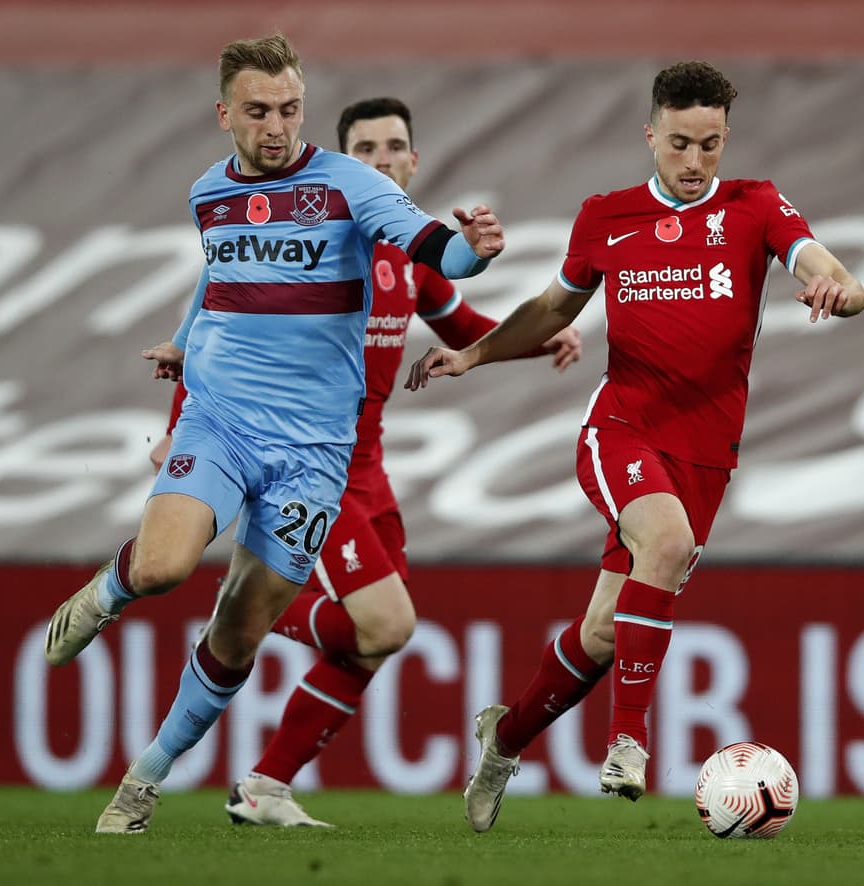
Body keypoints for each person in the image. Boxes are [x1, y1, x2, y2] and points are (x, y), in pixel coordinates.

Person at [41, 34, 505, 835]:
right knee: (160, 568)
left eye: (289, 109)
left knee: (239, 628)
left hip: (316, 453)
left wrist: (476, 248)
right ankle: (104, 593)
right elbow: (217, 282)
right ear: (224, 114)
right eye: (257, 112)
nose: (276, 126)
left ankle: (144, 779)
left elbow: (435, 248)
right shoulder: (207, 195)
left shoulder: (350, 185)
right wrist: (187, 348)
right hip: (220, 419)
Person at [404, 61, 864, 832]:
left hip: (706, 454)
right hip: (620, 427)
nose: (694, 163)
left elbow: (831, 271)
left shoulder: (754, 206)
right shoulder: (607, 217)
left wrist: (840, 293)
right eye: (680, 143)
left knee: (599, 634)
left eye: (710, 145)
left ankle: (503, 738)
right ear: (650, 134)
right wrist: (475, 352)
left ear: (727, 139)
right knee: (665, 539)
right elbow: (554, 305)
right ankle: (627, 742)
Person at [151, 97, 581, 828]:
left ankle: (264, 787)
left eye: (394, 149)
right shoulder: (309, 238)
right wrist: (176, 431)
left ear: (414, 162)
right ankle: (246, 616)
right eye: (366, 151)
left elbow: (468, 325)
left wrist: (545, 340)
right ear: (340, 164)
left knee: (373, 641)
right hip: (309, 460)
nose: (381, 161)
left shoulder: (413, 261)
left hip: (370, 470)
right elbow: (225, 335)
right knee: (386, 622)